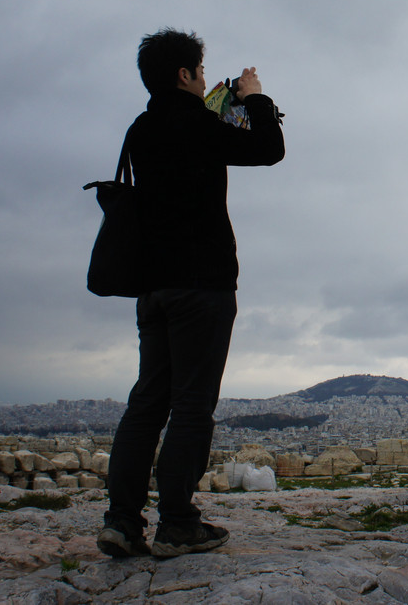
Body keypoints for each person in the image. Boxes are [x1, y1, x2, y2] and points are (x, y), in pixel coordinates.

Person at [97, 28, 284, 559]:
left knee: (146, 403)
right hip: (202, 284)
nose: (204, 80)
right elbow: (269, 149)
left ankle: (121, 521)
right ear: (184, 74)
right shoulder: (198, 124)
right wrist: (253, 98)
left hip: (152, 286)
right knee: (192, 406)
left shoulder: (140, 129)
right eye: (200, 72)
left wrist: (221, 105)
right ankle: (178, 523)